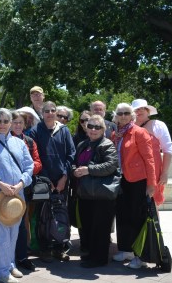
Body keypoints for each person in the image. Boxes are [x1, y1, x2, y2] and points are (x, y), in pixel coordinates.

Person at [0, 108, 34, 283]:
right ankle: (1, 272)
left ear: (11, 123)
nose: (2, 124)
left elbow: (29, 166)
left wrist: (20, 184)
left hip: (18, 195)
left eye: (5, 121)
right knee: (1, 235)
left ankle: (10, 265)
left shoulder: (19, 143)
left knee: (14, 233)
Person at [111, 103, 156, 270]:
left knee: (137, 217)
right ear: (116, 115)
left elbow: (150, 159)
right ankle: (125, 249)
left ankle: (140, 255)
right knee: (122, 215)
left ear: (132, 116)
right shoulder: (117, 134)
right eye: (120, 113)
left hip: (137, 181)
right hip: (121, 180)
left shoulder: (140, 132)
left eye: (126, 113)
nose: (123, 116)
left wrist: (151, 184)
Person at [30, 101, 75, 262]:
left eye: (52, 110)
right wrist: (47, 179)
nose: (50, 113)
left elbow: (71, 154)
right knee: (42, 215)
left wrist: (64, 176)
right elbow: (35, 157)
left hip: (62, 181)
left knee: (61, 213)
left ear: (56, 112)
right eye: (46, 110)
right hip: (43, 181)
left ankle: (59, 247)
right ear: (42, 113)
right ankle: (44, 249)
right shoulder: (35, 131)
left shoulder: (64, 131)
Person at [71, 114, 118, 268]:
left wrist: (88, 170)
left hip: (102, 195)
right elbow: (74, 162)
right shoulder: (82, 145)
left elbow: (111, 166)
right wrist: (74, 170)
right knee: (89, 227)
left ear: (103, 129)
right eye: (90, 126)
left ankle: (99, 258)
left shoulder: (107, 144)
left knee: (101, 228)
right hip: (85, 193)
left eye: (97, 127)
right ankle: (91, 255)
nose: (93, 129)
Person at [10, 111, 42, 272]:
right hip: (5, 188)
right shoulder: (1, 139)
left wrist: (24, 170)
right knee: (6, 224)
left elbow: (37, 164)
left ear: (24, 125)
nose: (17, 125)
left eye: (20, 123)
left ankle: (22, 257)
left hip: (23, 187)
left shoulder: (29, 141)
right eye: (14, 122)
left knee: (22, 225)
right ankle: (8, 258)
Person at [132, 98, 172, 205]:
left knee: (153, 205)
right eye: (136, 109)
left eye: (143, 109)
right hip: (133, 171)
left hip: (154, 171)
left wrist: (164, 173)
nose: (139, 111)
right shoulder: (127, 127)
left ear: (148, 111)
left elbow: (168, 150)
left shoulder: (158, 125)